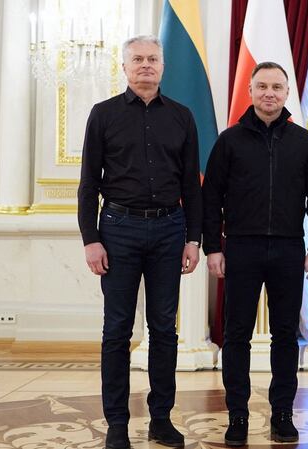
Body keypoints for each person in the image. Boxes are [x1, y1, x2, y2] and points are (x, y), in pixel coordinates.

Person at [77, 35, 201, 449]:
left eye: (152, 59)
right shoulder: (103, 114)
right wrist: (91, 240)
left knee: (164, 329)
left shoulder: (182, 116)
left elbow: (191, 184)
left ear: (162, 66)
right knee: (116, 330)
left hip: (169, 230)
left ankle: (161, 419)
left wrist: (194, 239)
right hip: (118, 230)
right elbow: (88, 184)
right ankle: (116, 423)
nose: (145, 65)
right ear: (125, 67)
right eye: (137, 59)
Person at [202, 61, 308, 447]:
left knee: (286, 335)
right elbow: (211, 198)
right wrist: (213, 247)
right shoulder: (229, 141)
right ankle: (237, 415)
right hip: (241, 247)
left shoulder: (303, 142)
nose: (269, 93)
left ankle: (282, 414)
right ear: (251, 91)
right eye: (262, 86)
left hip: (289, 248)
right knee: (237, 334)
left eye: (276, 87)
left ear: (287, 93)